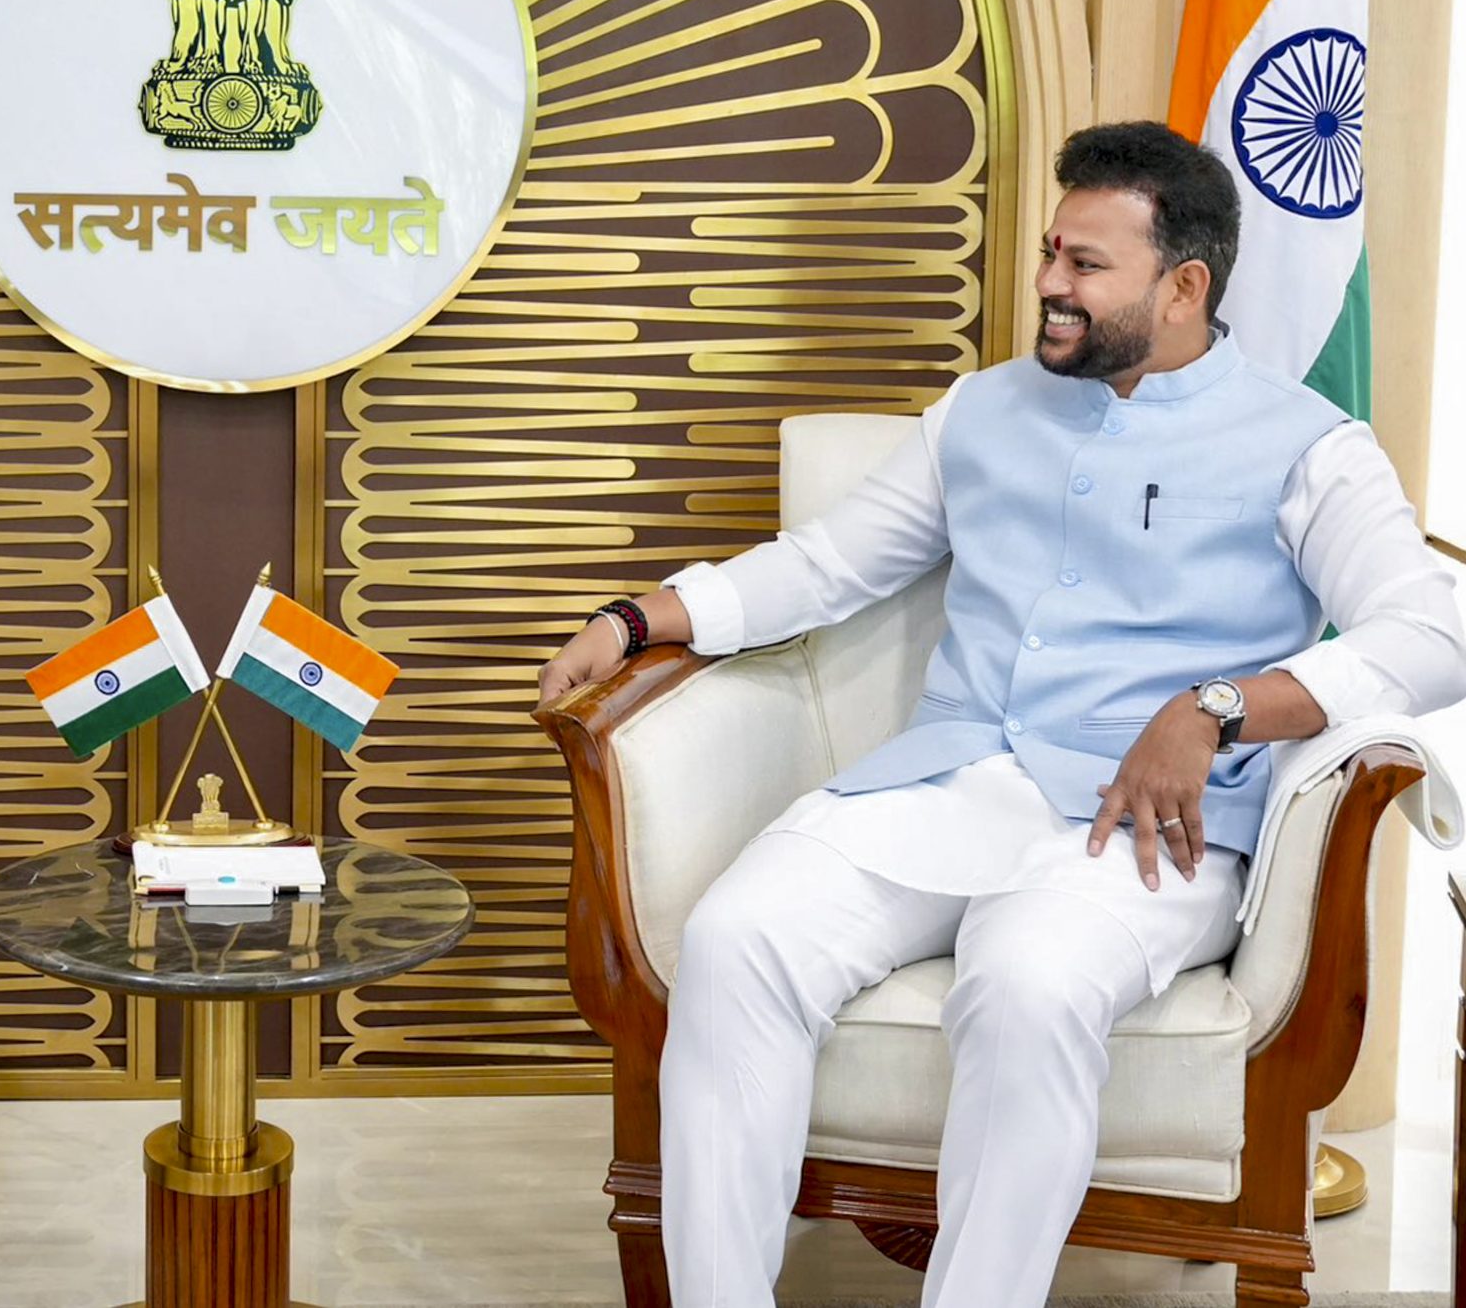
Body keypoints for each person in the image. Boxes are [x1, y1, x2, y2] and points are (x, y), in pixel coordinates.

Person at [536, 121, 1466, 1306]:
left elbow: (1432, 632)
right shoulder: (978, 410)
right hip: (948, 780)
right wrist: (637, 618)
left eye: (1085, 263)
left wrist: (1216, 707)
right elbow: (827, 563)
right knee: (737, 936)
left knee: (1026, 984)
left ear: (1183, 287)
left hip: (1147, 830)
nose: (1047, 283)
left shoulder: (1307, 446)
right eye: (1048, 252)